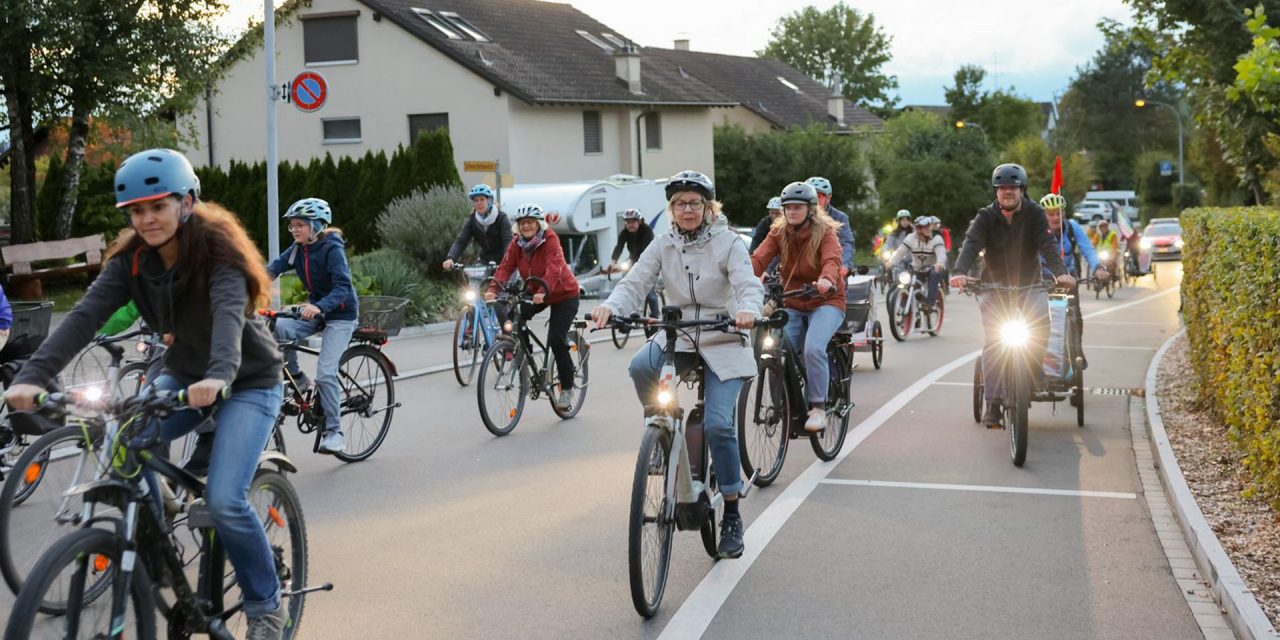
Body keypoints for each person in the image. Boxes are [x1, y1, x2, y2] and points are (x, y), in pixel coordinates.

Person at [3, 148, 288, 638]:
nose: (147, 218)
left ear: (187, 202)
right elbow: (83, 318)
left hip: (246, 382)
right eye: (136, 210)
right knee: (121, 441)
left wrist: (218, 377)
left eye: (158, 205)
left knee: (223, 499)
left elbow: (225, 318)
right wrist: (30, 375)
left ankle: (266, 605)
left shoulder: (217, 253)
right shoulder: (132, 263)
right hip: (183, 377)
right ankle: (156, 539)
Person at [590, 169, 762, 559]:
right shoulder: (663, 243)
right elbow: (635, 282)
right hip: (680, 333)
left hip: (724, 334)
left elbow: (747, 284)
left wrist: (749, 310)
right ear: (671, 208)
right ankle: (660, 430)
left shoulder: (729, 242)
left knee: (719, 425)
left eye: (695, 203)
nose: (687, 209)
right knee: (639, 366)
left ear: (708, 207)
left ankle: (732, 512)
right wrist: (610, 308)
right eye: (680, 203)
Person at [950, 163, 1074, 428]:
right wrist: (960, 271)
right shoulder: (985, 217)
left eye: (1013, 187)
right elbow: (972, 244)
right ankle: (993, 404)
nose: (1007, 192)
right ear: (996, 191)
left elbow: (1048, 247)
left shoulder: (1035, 214)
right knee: (995, 342)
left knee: (1042, 321)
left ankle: (1034, 366)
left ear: (1022, 190)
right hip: (994, 287)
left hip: (1030, 284)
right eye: (1002, 188)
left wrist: (1061, 272)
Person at [750, 181, 845, 431]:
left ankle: (818, 408)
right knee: (775, 349)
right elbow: (759, 258)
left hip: (826, 300)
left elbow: (832, 260)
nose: (791, 212)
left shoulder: (825, 232)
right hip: (792, 300)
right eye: (787, 207)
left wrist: (826, 279)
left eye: (797, 207)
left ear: (811, 209)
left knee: (813, 348)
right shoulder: (778, 232)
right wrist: (742, 275)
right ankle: (783, 403)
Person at [266, 197, 358, 455]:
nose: (294, 230)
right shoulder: (298, 249)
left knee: (326, 373)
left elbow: (343, 287)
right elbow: (271, 270)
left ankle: (334, 431)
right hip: (317, 310)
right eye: (292, 226)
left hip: (341, 314)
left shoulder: (332, 248)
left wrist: (319, 307)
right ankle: (297, 377)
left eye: (300, 225)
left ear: (316, 226)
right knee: (277, 328)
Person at [486, 204, 580, 411]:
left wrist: (544, 291)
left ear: (538, 224)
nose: (526, 226)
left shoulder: (550, 239)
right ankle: (523, 358)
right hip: (537, 291)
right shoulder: (516, 244)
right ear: (518, 227)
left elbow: (554, 268)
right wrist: (494, 288)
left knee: (556, 339)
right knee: (513, 316)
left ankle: (567, 387)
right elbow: (505, 267)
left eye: (530, 222)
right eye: (522, 223)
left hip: (563, 294)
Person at [1039, 193, 1107, 387]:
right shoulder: (1037, 230)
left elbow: (1088, 250)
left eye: (1058, 213)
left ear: (1064, 213)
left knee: (1074, 317)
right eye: (1050, 214)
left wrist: (1098, 268)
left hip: (1069, 280)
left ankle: (1076, 350)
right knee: (1036, 318)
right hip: (1042, 280)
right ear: (1044, 215)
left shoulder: (1072, 228)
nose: (1055, 218)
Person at [442, 183, 514, 271]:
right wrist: (451, 258)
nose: (479, 203)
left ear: (489, 200)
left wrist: (508, 260)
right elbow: (461, 241)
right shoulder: (472, 220)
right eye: (476, 200)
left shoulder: (501, 218)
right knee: (475, 283)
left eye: (482, 199)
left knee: (507, 284)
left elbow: (508, 241)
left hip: (505, 261)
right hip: (485, 261)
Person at [608, 208, 659, 319]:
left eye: (633, 221)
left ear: (639, 221)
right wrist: (613, 262)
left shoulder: (646, 230)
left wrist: (636, 264)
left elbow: (646, 251)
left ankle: (656, 315)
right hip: (633, 259)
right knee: (625, 281)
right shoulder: (624, 233)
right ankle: (625, 313)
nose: (630, 224)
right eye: (627, 222)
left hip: (649, 260)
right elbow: (619, 248)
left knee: (649, 291)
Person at [889, 216, 948, 311]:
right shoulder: (910, 238)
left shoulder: (937, 239)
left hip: (932, 268)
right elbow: (900, 252)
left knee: (934, 275)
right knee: (906, 282)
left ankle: (930, 303)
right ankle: (904, 307)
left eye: (929, 226)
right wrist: (892, 263)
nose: (929, 229)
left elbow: (941, 254)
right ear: (918, 229)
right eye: (925, 227)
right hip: (916, 269)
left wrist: (940, 263)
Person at [804, 176, 855, 269]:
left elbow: (846, 243)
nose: (814, 201)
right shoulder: (798, 216)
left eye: (818, 196)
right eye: (810, 196)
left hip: (831, 265)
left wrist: (844, 265)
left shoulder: (840, 217)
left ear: (828, 198)